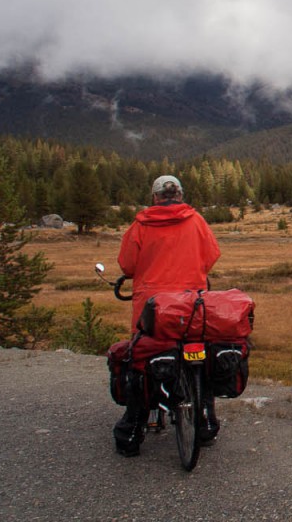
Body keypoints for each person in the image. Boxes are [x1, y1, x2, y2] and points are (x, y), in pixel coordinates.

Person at [112, 175, 221, 457]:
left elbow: (127, 264)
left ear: (155, 197)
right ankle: (205, 419)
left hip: (151, 307)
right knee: (199, 354)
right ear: (180, 195)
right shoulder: (196, 221)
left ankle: (133, 427)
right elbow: (211, 256)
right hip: (190, 305)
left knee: (142, 360)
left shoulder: (140, 226)